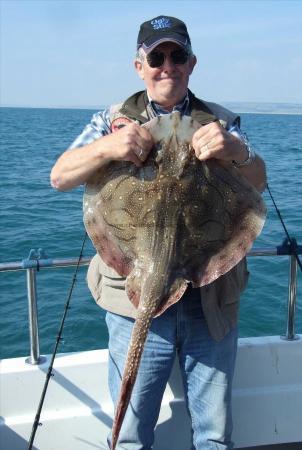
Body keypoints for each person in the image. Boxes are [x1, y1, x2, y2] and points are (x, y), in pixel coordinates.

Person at [51, 15, 266, 450]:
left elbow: (257, 185)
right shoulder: (110, 120)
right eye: (156, 56)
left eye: (177, 55)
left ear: (192, 63)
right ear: (139, 65)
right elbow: (60, 176)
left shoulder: (220, 122)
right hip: (135, 295)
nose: (167, 65)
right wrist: (108, 147)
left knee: (214, 435)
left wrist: (236, 150)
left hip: (210, 301)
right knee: (130, 436)